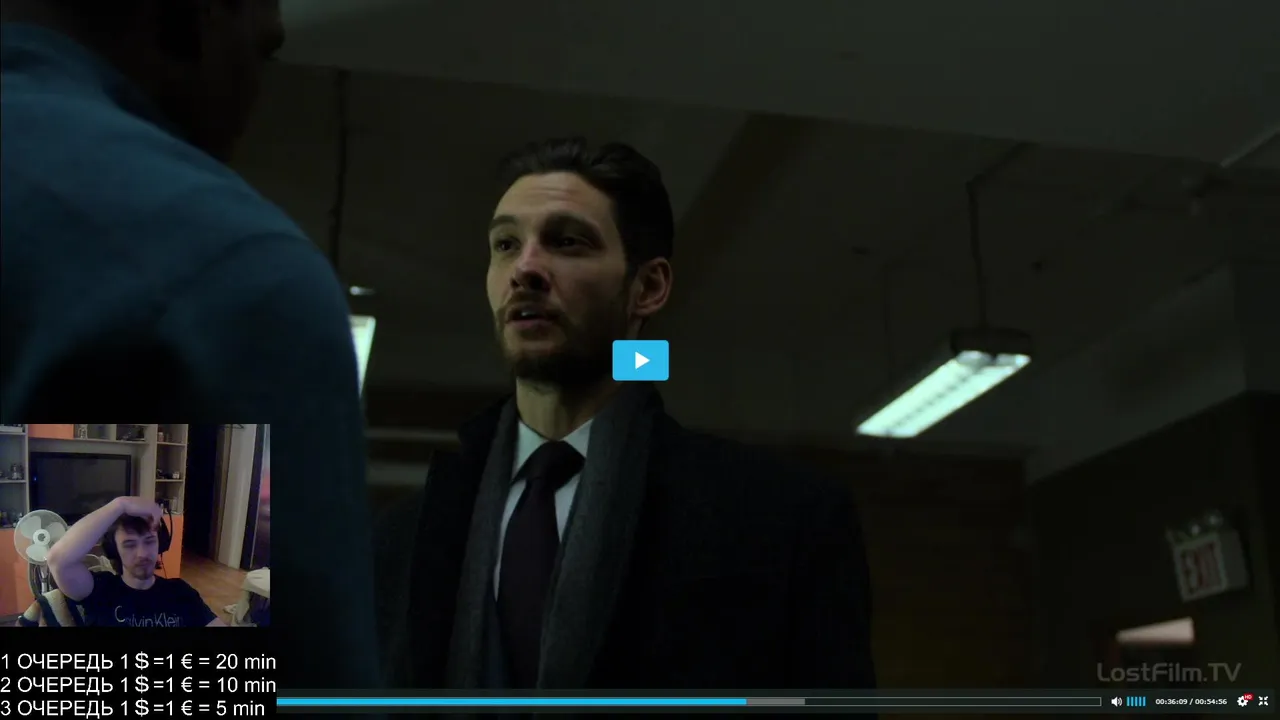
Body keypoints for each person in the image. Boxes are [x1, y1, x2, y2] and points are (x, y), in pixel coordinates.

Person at [399, 137, 876, 690]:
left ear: (647, 287)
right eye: (506, 244)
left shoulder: (782, 519)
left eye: (567, 241)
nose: (525, 268)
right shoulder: (407, 535)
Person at [0, 0, 378, 689]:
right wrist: (119, 508)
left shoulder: (181, 598)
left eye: (147, 536)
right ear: (190, 19)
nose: (256, 95)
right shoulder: (235, 269)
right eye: (262, 54)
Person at [46, 497, 224, 627]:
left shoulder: (181, 592)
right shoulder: (100, 589)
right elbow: (58, 560)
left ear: (160, 544)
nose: (142, 554)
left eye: (149, 541)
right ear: (115, 549)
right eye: (130, 544)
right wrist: (120, 504)